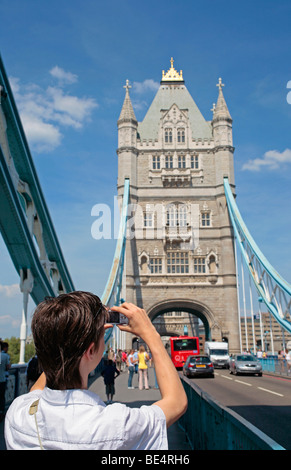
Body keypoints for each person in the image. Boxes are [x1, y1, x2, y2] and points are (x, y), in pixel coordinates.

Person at [4, 291, 187, 450]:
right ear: (91, 351)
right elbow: (176, 402)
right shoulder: (116, 425)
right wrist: (150, 334)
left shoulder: (19, 412)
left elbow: (38, 388)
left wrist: (59, 340)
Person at [0, 341, 11, 422]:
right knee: (1, 396)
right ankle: (1, 412)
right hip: (2, 379)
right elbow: (7, 367)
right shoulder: (5, 356)